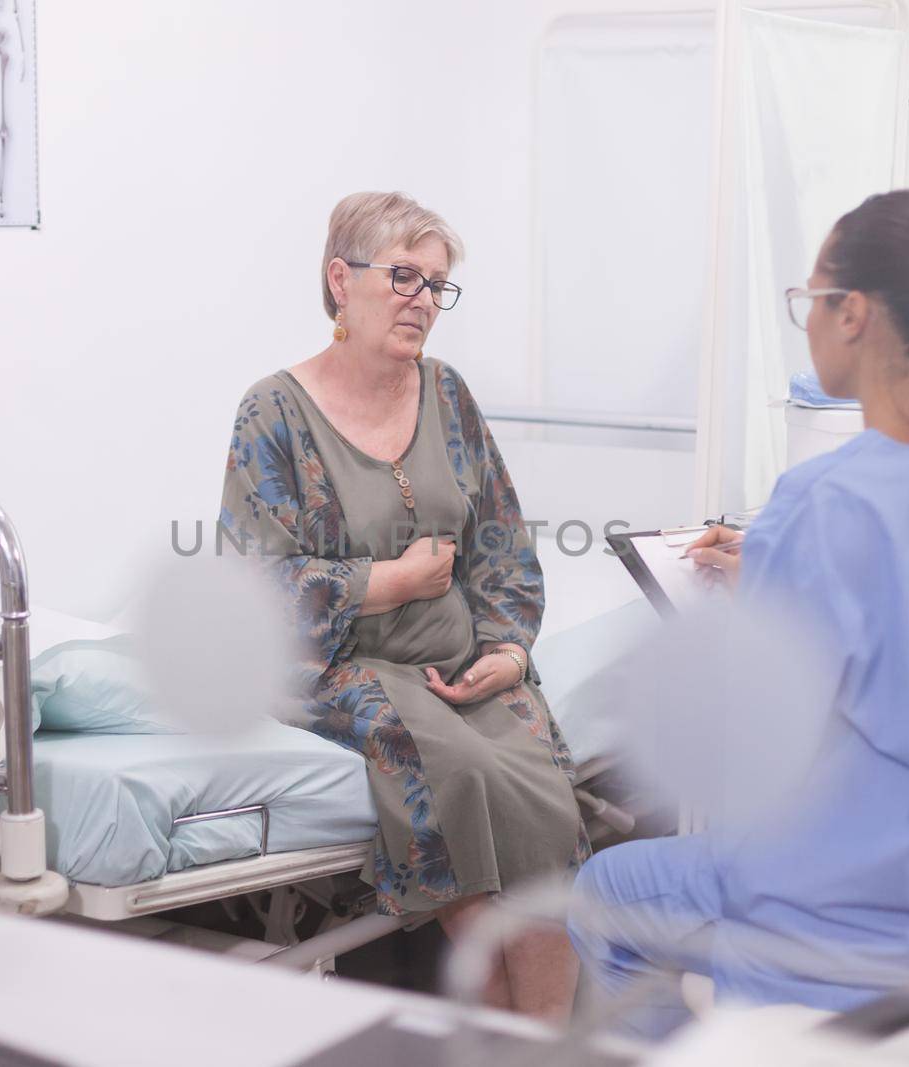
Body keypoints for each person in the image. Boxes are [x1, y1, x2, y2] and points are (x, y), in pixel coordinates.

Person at [568, 189, 909, 1035]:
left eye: (809, 299)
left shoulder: (823, 502)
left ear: (853, 315)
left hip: (846, 941)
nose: (804, 321)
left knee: (603, 893)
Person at [219, 192, 588, 1018]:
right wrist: (382, 584)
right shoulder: (273, 413)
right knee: (459, 775)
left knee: (540, 805)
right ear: (340, 281)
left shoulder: (448, 397)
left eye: (437, 285)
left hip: (465, 666)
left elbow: (503, 543)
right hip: (343, 670)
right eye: (404, 277)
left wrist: (509, 649)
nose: (423, 299)